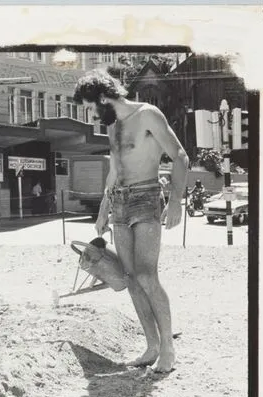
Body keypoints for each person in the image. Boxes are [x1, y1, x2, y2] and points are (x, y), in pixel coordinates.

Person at [73, 70, 189, 373]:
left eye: (90, 107)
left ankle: (168, 349)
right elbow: (115, 170)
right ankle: (151, 347)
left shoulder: (148, 115)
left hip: (147, 196)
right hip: (120, 203)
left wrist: (176, 200)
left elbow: (179, 156)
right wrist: (103, 208)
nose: (91, 113)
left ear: (102, 98)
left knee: (148, 276)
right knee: (131, 278)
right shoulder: (113, 127)